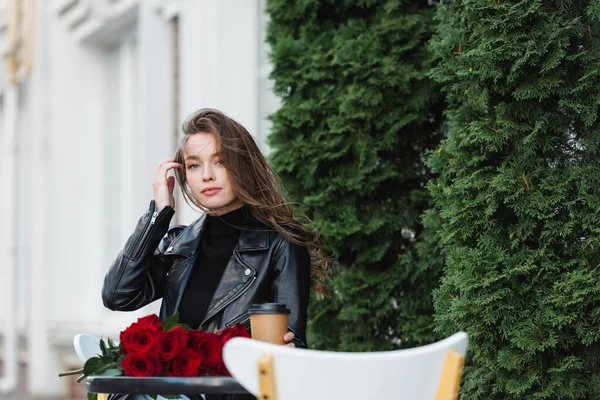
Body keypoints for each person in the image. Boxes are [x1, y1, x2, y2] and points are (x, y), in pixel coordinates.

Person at [101, 108, 330, 400]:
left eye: (220, 162)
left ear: (242, 166)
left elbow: (289, 345)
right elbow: (117, 295)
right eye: (195, 166)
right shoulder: (178, 244)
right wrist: (158, 216)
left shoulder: (281, 243)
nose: (207, 176)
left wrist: (287, 351)